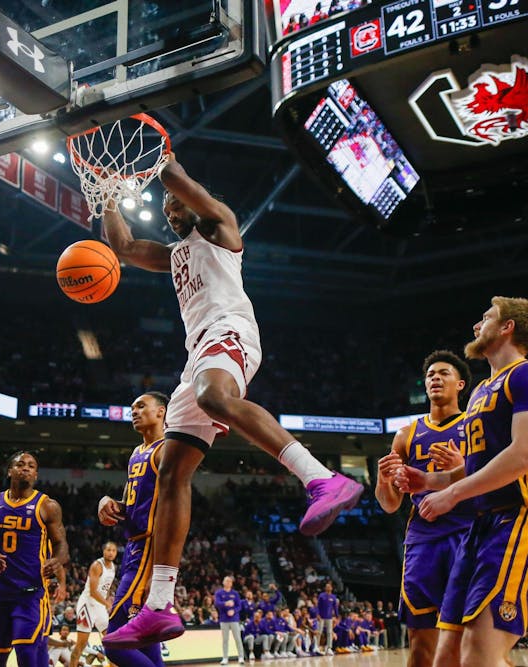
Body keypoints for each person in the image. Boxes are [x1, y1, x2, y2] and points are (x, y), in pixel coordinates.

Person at [101, 154, 362, 649]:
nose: (170, 211)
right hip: (196, 352)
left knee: (213, 396)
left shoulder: (222, 229)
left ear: (196, 199)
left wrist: (159, 155)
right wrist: (107, 194)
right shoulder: (176, 254)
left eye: (175, 204)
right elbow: (125, 245)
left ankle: (321, 478)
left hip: (231, 333)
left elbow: (178, 177)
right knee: (171, 472)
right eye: (166, 208)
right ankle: (159, 606)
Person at [394, 297, 528, 667]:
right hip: (481, 528)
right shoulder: (480, 393)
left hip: (521, 520)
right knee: (447, 659)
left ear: (508, 328)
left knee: (479, 657)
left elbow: (525, 455)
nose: (476, 325)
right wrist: (429, 479)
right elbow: (473, 466)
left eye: (486, 318)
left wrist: (451, 494)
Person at [375, 350, 471, 667]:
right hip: (423, 541)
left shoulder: (474, 426)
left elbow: (493, 480)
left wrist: (461, 468)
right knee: (420, 644)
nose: (435, 378)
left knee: (469, 639)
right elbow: (390, 505)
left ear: (460, 384)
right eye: (430, 374)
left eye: (443, 373)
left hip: (467, 535)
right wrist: (383, 480)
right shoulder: (406, 435)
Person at [0, 451, 69, 667]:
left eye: (31, 466)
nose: (25, 468)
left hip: (30, 593)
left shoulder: (47, 505)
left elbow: (61, 544)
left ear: (36, 474)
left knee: (27, 654)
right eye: (20, 464)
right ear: (10, 471)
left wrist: (57, 560)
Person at [95, 392, 169, 667]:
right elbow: (133, 504)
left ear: (161, 412)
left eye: (141, 406)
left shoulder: (167, 449)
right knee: (146, 640)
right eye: (132, 408)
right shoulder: (137, 453)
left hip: (149, 551)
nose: (134, 412)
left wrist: (158, 571)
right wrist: (110, 503)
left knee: (113, 642)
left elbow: (173, 511)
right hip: (134, 548)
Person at [69, 542, 118, 667]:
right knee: (81, 644)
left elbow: (105, 588)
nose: (111, 552)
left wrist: (107, 601)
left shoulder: (113, 567)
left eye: (113, 550)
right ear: (103, 551)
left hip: (99, 606)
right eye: (108, 550)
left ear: (116, 553)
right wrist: (107, 604)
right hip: (87, 605)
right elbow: (92, 591)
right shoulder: (97, 565)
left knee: (111, 641)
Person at [214, 576, 243, 665]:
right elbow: (217, 603)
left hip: (234, 619)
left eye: (229, 581)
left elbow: (239, 606)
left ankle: (241, 657)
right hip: (223, 619)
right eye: (226, 581)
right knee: (225, 640)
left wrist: (234, 611)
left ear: (231, 583)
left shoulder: (235, 593)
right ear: (223, 582)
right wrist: (225, 603)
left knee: (237, 638)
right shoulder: (219, 593)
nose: (228, 582)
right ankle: (225, 658)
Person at [315, 583, 338, 656]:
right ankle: (316, 646)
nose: (328, 588)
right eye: (327, 586)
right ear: (325, 588)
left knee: (329, 633)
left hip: (329, 617)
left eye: (329, 587)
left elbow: (335, 607)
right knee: (319, 632)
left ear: (331, 588)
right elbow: (318, 606)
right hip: (321, 617)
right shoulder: (321, 595)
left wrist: (336, 616)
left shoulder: (333, 597)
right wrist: (317, 614)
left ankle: (329, 648)